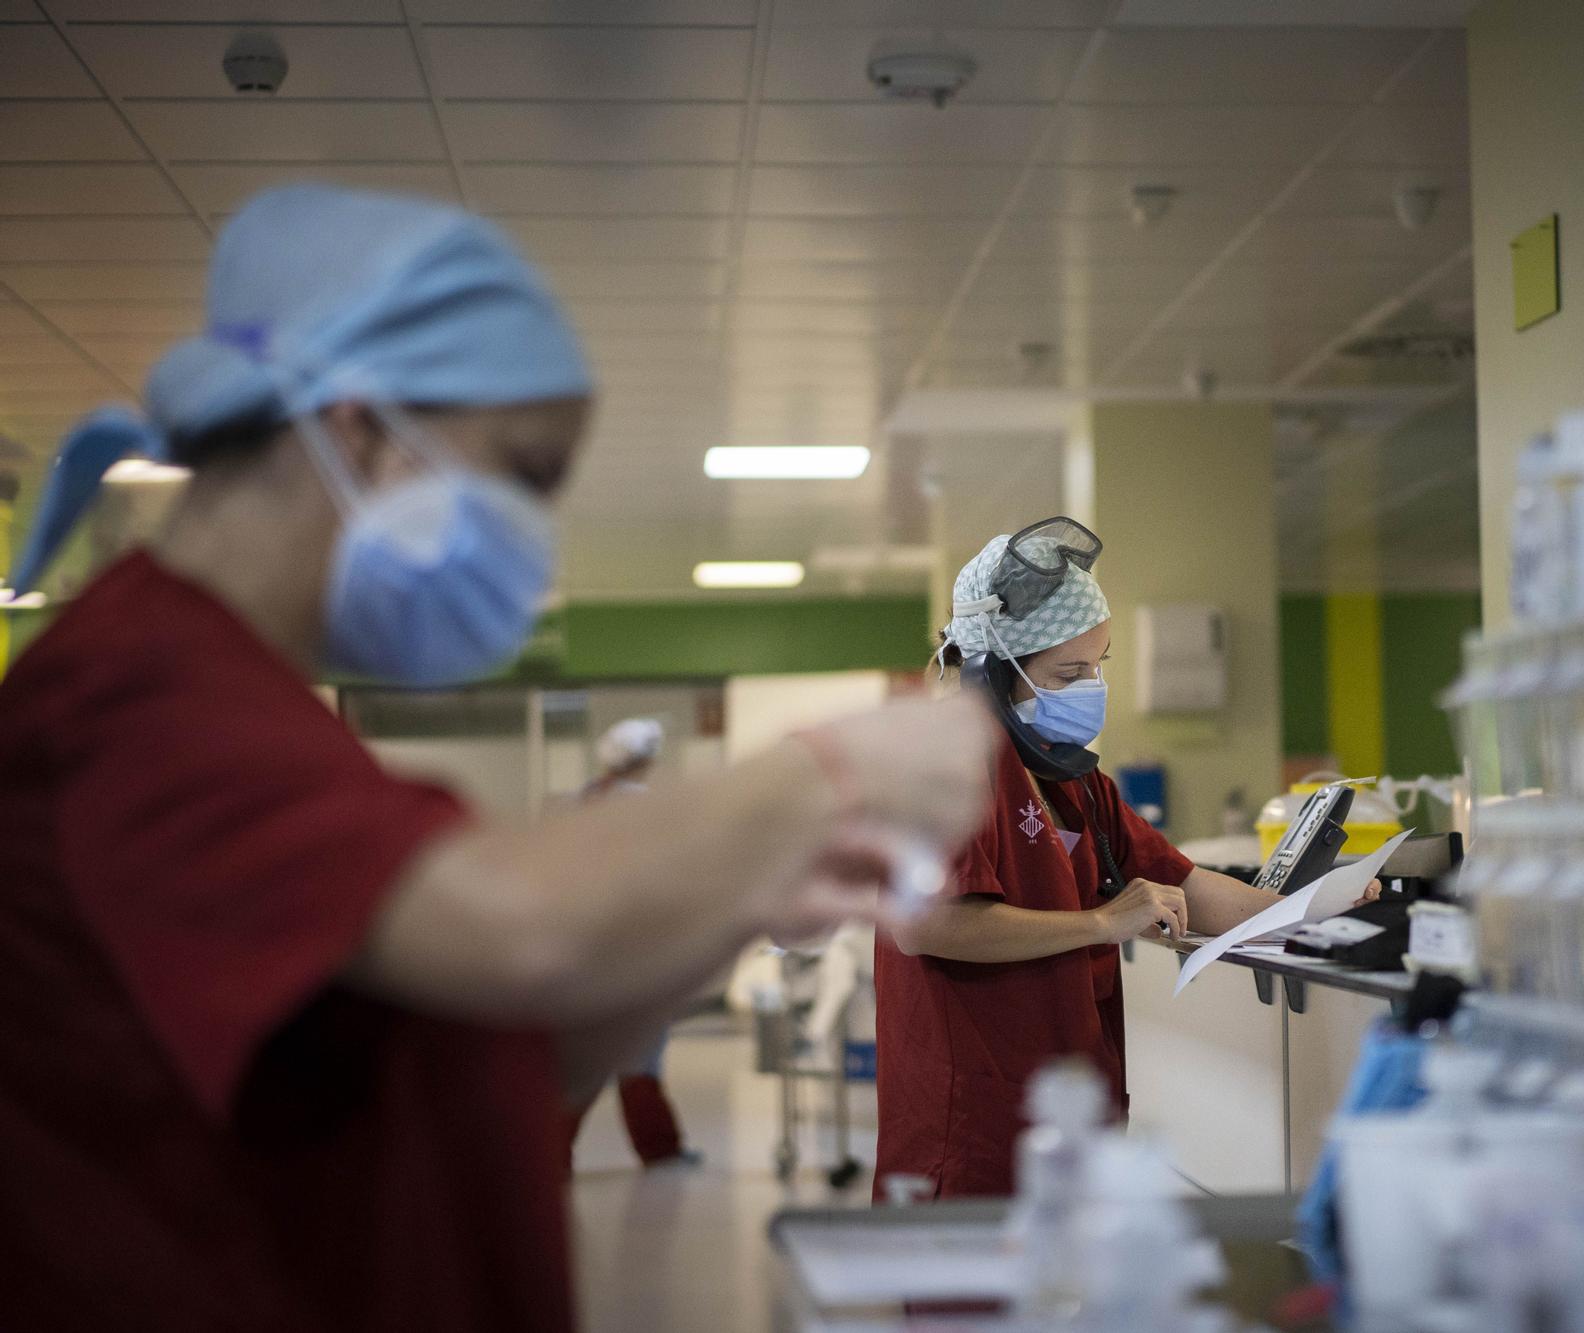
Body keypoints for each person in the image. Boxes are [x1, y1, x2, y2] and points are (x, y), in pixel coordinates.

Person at [0, 184, 993, 1332]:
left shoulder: (251, 704)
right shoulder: (134, 692)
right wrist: (823, 771)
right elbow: (511, 923)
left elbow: (485, 1054)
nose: (531, 531)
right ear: (361, 430)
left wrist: (736, 900)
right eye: (520, 473)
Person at [873, 518, 1375, 1200]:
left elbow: (1187, 885)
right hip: (973, 1140)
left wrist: (1324, 910)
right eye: (1068, 672)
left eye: (1098, 666)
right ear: (993, 672)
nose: (1090, 688)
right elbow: (923, 924)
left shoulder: (1076, 784)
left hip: (1070, 1123)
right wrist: (1100, 922)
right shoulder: (942, 768)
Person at [571, 718, 698, 1168]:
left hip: (588, 954)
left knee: (587, 1061)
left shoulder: (585, 801)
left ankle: (549, 1156)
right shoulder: (646, 811)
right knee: (639, 1058)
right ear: (645, 760)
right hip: (635, 955)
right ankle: (659, 1149)